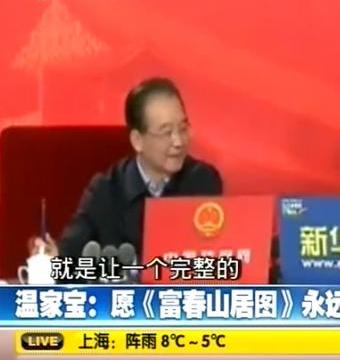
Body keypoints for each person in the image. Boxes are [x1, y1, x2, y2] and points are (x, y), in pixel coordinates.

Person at [31, 77, 222, 258]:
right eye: (166, 132)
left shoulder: (203, 181)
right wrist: (51, 256)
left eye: (183, 128)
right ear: (137, 140)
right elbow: (68, 253)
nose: (178, 141)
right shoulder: (106, 191)